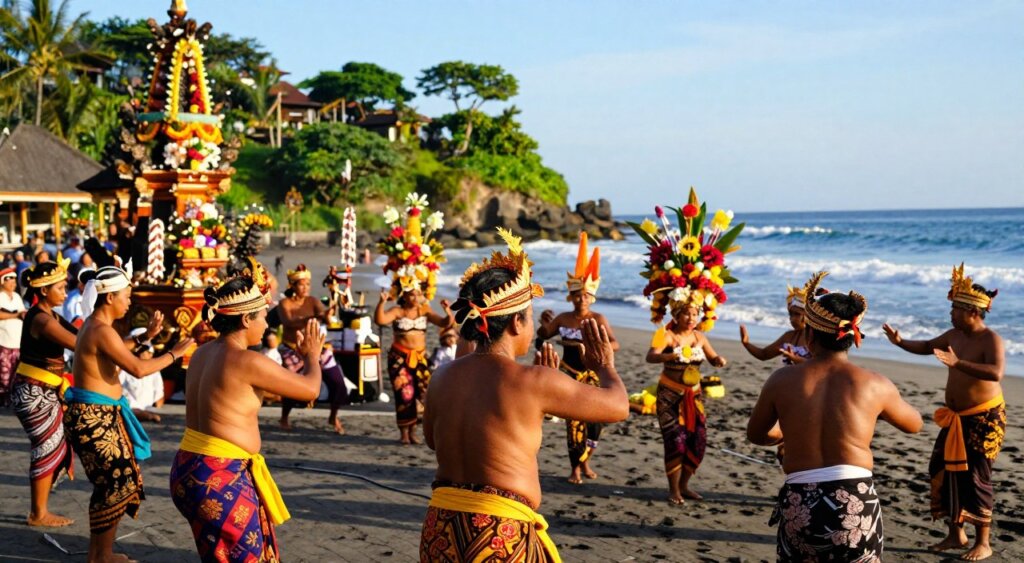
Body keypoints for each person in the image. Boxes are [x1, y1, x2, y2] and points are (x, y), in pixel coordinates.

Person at [420, 228, 629, 562]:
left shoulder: (442, 376)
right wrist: (604, 365)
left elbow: (434, 440)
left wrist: (530, 411)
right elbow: (618, 406)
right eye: (530, 317)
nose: (532, 326)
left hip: (439, 529)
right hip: (497, 534)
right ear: (517, 323)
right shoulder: (533, 380)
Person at [749, 271, 923, 562]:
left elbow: (756, 435)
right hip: (855, 501)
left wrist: (784, 432)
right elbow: (914, 424)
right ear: (851, 338)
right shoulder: (874, 383)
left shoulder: (782, 380)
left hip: (801, 500)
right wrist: (873, 411)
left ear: (810, 335)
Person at [170, 267, 324, 563]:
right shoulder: (247, 360)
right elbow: (310, 389)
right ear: (245, 319)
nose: (267, 324)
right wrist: (312, 357)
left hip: (187, 469)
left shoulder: (202, 353)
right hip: (219, 476)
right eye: (263, 316)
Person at [65, 265, 192, 563]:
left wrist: (146, 337)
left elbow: (116, 350)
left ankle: (99, 554)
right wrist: (176, 352)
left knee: (111, 484)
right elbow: (137, 368)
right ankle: (102, 556)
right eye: (126, 295)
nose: (129, 302)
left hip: (98, 415)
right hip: (96, 418)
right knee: (114, 484)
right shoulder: (100, 329)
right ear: (109, 298)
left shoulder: (96, 326)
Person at [882, 263, 1004, 561]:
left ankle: (983, 542)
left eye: (955, 309)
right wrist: (900, 343)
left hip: (984, 418)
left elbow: (996, 373)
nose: (950, 314)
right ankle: (955, 534)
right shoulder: (953, 334)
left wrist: (958, 363)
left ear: (973, 311)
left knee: (976, 476)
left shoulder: (991, 339)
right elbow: (926, 346)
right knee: (945, 469)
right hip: (955, 418)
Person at [536, 232, 619, 484]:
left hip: (593, 375)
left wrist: (599, 348)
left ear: (591, 297)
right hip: (569, 374)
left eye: (586, 295)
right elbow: (542, 337)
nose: (581, 299)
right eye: (577, 295)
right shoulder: (562, 319)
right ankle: (574, 469)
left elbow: (615, 343)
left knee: (595, 423)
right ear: (570, 296)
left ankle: (586, 462)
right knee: (573, 425)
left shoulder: (599, 319)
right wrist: (543, 325)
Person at [376, 192, 452, 444]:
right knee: (403, 394)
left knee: (425, 394)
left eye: (418, 292)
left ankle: (417, 431)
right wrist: (381, 303)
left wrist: (449, 312)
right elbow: (381, 321)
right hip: (399, 356)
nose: (415, 296)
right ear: (404, 294)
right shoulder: (398, 311)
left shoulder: (425, 310)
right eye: (411, 293)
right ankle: (404, 433)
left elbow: (444, 324)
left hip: (419, 357)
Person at [10, 258, 76, 527]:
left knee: (53, 445)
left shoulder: (53, 315)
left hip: (45, 391)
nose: (65, 291)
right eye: (61, 287)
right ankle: (38, 513)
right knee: (46, 447)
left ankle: (40, 510)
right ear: (45, 291)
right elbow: (79, 342)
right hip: (33, 393)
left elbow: (83, 335)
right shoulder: (40, 319)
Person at [646, 298, 727, 503]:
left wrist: (718, 361)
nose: (691, 318)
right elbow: (651, 356)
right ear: (676, 315)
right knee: (675, 442)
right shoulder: (666, 336)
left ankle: (684, 485)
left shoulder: (700, 337)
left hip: (695, 397)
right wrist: (669, 357)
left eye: (694, 314)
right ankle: (674, 490)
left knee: (697, 441)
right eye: (686, 314)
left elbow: (713, 357)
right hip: (669, 397)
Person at [276, 264, 331, 431]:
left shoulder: (313, 301)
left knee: (336, 380)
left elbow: (325, 317)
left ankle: (333, 418)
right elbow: (288, 323)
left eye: (308, 284)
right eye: (301, 284)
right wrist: (312, 317)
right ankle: (284, 417)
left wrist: (327, 314)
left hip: (313, 347)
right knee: (291, 385)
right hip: (290, 348)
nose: (306, 287)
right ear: (292, 286)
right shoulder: (284, 303)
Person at [740, 284, 812, 365]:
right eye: (790, 314)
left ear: (809, 315)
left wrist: (794, 358)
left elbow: (817, 365)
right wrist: (746, 344)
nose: (792, 319)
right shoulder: (789, 336)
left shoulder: (816, 338)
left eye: (797, 314)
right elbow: (764, 355)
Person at [118, 343, 165, 423]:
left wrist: (158, 409)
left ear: (151, 354)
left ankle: (147, 415)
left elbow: (159, 392)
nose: (141, 353)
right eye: (139, 351)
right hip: (130, 406)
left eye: (144, 351)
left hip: (148, 407)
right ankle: (145, 415)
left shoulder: (155, 370)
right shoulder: (126, 367)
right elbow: (119, 385)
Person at [0, 265, 26, 406]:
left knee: (16, 374)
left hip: (17, 341)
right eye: (10, 280)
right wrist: (16, 314)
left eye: (15, 281)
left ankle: (12, 400)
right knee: (4, 375)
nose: (13, 283)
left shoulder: (16, 296)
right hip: (3, 343)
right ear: (3, 281)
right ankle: (4, 401)